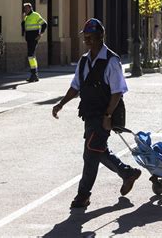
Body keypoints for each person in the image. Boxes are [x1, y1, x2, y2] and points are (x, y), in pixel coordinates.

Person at [51, 18, 141, 209]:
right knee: (99, 150)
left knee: (90, 155)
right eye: (85, 37)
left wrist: (108, 117)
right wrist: (61, 104)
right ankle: (127, 173)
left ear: (101, 37)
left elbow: (117, 92)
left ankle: (83, 196)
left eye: (91, 37)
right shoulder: (84, 61)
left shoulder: (111, 61)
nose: (87, 41)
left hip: (104, 115)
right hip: (89, 114)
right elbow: (75, 86)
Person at [21, 3, 47, 82]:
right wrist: (23, 19)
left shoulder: (35, 15)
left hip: (34, 38)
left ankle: (34, 74)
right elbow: (23, 26)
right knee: (31, 56)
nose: (25, 10)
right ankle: (34, 75)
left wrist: (40, 34)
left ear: (30, 8)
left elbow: (44, 24)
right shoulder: (27, 16)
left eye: (26, 8)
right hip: (29, 39)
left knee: (30, 55)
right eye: (24, 8)